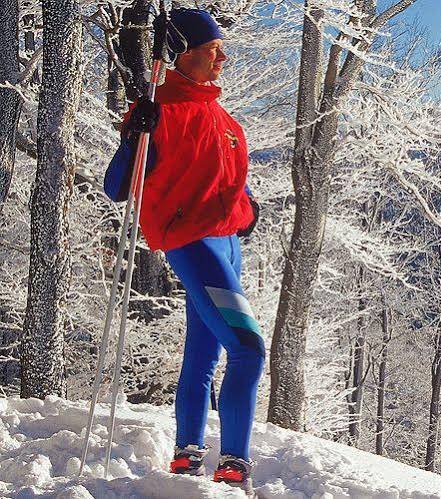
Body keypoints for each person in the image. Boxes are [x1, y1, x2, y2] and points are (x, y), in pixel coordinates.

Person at [102, 8, 263, 494]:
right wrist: (134, 137)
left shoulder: (226, 120)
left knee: (203, 355)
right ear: (185, 53)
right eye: (213, 50)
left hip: (228, 245)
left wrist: (249, 210)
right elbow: (116, 187)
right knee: (248, 349)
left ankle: (186, 455)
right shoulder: (158, 110)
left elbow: (232, 182)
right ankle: (233, 463)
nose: (223, 58)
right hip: (192, 242)